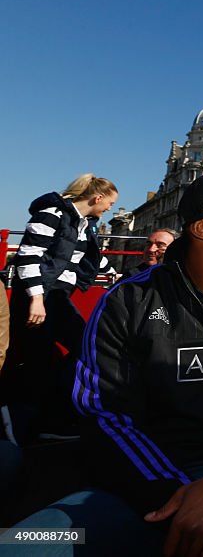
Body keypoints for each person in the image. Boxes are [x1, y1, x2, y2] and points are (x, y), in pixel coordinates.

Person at [0, 168, 203, 557]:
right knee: (21, 544)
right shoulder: (128, 301)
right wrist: (178, 498)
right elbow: (103, 414)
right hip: (146, 488)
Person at [1, 174, 119, 444]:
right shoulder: (52, 213)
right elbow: (28, 256)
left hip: (57, 295)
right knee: (38, 358)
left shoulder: (85, 224)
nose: (110, 209)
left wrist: (114, 275)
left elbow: (89, 257)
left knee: (81, 349)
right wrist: (36, 299)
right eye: (110, 203)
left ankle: (44, 417)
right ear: (97, 198)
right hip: (40, 295)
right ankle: (21, 418)